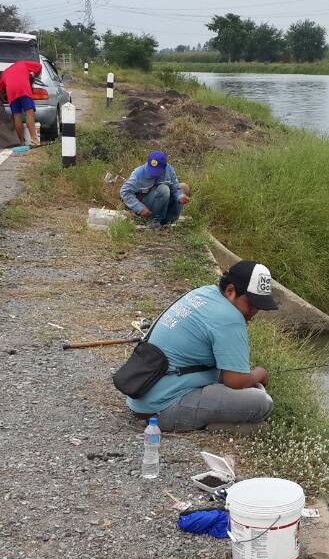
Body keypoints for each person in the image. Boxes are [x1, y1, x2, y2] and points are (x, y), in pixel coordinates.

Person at [127, 260, 278, 432]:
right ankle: (212, 426)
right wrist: (260, 373)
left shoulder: (204, 293)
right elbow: (235, 380)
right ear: (230, 291)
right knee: (262, 403)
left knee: (251, 388)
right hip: (162, 410)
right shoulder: (231, 318)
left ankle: (215, 422)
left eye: (258, 307)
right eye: (251, 304)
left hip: (141, 396)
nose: (253, 312)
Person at [119, 151, 191, 226]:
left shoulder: (169, 170)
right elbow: (125, 192)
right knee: (164, 189)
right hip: (145, 204)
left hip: (161, 203)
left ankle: (169, 220)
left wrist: (180, 197)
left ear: (164, 167)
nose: (153, 174)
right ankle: (153, 221)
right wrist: (140, 208)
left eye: (157, 171)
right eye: (152, 169)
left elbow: (175, 189)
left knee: (184, 187)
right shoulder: (138, 174)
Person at [0, 58, 43, 147]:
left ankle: (21, 141)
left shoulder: (5, 72)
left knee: (17, 116)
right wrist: (35, 75)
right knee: (29, 113)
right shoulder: (23, 63)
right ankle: (34, 139)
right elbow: (39, 66)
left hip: (11, 93)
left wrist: (2, 99)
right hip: (23, 89)